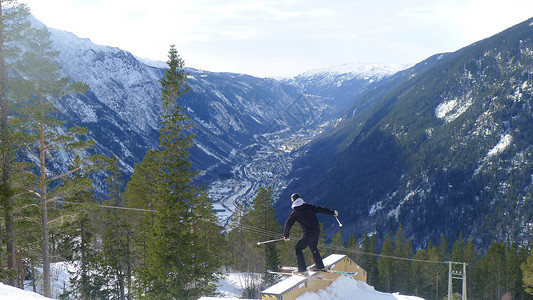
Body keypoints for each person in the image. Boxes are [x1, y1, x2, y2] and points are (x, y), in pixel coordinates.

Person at [283, 193, 338, 273]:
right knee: (313, 247)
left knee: (298, 248)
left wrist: (286, 235)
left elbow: (288, 224)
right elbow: (320, 209)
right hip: (316, 232)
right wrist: (332, 212)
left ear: (293, 200)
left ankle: (302, 270)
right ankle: (320, 266)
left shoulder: (295, 212)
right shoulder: (308, 206)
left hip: (308, 234)